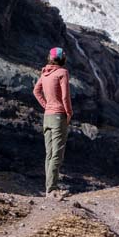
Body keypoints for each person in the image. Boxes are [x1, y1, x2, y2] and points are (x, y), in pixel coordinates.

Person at [33, 47, 73, 199]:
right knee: (57, 153)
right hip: (58, 116)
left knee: (49, 154)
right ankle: (52, 189)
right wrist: (69, 112)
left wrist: (46, 105)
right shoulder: (62, 73)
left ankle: (49, 188)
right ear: (62, 58)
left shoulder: (44, 73)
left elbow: (36, 91)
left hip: (47, 116)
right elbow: (65, 97)